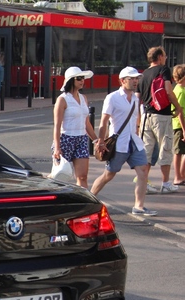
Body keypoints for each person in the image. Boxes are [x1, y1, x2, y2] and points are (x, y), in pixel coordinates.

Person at [90, 67, 157, 216]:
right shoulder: (112, 98)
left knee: (143, 171)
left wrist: (138, 132)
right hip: (118, 143)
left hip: (133, 141)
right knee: (109, 174)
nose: (135, 81)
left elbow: (136, 119)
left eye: (137, 78)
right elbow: (104, 121)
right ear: (122, 81)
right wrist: (101, 141)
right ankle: (90, 199)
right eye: (132, 78)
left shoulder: (135, 98)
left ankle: (138, 206)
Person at [137, 46, 182, 194]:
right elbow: (168, 91)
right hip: (162, 115)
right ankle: (165, 183)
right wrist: (178, 107)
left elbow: (138, 98)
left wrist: (138, 119)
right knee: (166, 148)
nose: (166, 58)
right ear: (160, 57)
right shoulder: (164, 70)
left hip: (146, 116)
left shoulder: (143, 75)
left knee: (146, 150)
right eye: (165, 55)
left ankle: (144, 182)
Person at [52, 66, 99, 188]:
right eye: (79, 78)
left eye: (83, 78)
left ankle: (83, 203)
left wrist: (95, 140)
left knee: (82, 176)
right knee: (61, 176)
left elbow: (86, 122)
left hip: (82, 139)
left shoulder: (84, 98)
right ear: (70, 80)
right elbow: (57, 126)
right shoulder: (62, 99)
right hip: (66, 139)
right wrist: (57, 147)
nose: (82, 81)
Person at [171, 64, 185, 185]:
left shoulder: (180, 89)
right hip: (180, 126)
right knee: (178, 151)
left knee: (181, 151)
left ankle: (181, 174)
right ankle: (178, 176)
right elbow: (179, 111)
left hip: (181, 125)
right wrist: (184, 129)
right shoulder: (180, 91)